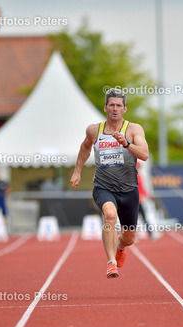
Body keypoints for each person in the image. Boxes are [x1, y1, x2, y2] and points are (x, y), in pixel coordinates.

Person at [70, 88, 149, 278]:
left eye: (118, 105)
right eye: (111, 105)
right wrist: (77, 172)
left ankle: (121, 248)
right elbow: (85, 148)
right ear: (105, 108)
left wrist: (126, 144)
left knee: (129, 238)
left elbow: (144, 154)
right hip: (103, 187)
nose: (115, 109)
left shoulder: (133, 129)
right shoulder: (94, 130)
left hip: (129, 189)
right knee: (110, 215)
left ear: (124, 109)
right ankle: (111, 262)